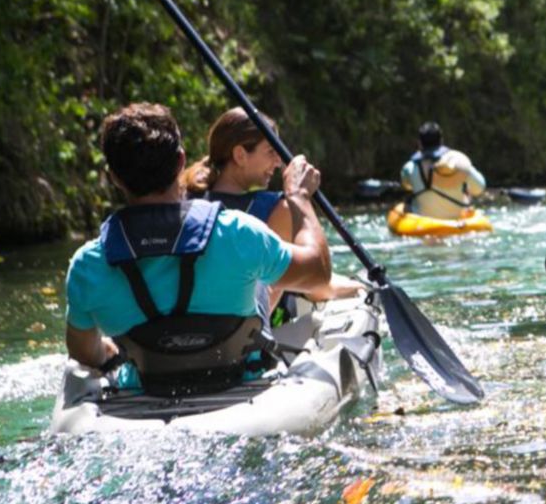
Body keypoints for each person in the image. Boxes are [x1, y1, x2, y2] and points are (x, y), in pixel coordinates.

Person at [64, 103, 360, 395]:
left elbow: (85, 353)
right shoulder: (238, 233)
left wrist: (107, 352)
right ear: (181, 162)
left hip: (145, 397)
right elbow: (318, 273)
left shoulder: (87, 265)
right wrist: (299, 197)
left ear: (113, 176)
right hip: (242, 388)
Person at [182, 106, 332, 324]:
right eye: (271, 151)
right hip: (247, 339)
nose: (278, 162)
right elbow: (303, 285)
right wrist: (300, 198)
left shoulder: (186, 203)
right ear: (240, 155)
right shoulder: (279, 209)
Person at [399, 121, 486, 220]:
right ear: (441, 140)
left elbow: (407, 186)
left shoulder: (409, 167)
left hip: (421, 225)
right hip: (456, 225)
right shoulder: (459, 164)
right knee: (466, 193)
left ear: (419, 143)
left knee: (408, 201)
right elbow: (480, 187)